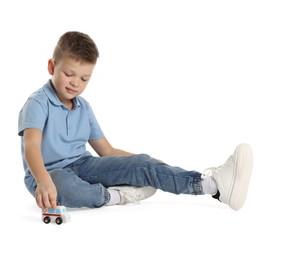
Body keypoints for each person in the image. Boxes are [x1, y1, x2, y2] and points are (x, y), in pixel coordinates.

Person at [18, 31, 253, 211]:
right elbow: (32, 147)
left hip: (83, 165)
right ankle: (115, 197)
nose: (75, 83)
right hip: (47, 173)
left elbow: (107, 150)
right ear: (52, 67)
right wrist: (43, 179)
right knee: (63, 184)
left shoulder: (84, 107)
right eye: (68, 74)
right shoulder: (38, 103)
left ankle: (212, 186)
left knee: (142, 163)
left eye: (84, 78)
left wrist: (148, 163)